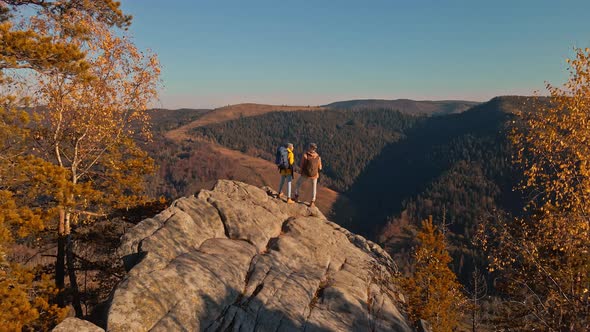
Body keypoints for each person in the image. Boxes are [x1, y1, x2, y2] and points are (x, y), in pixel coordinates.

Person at [294, 143, 322, 207]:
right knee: (314, 187)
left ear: (310, 148)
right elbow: (320, 167)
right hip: (314, 175)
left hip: (305, 174)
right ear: (315, 149)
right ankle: (312, 201)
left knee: (298, 184)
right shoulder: (318, 157)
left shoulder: (305, 155)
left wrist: (301, 172)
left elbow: (302, 165)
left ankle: (296, 197)